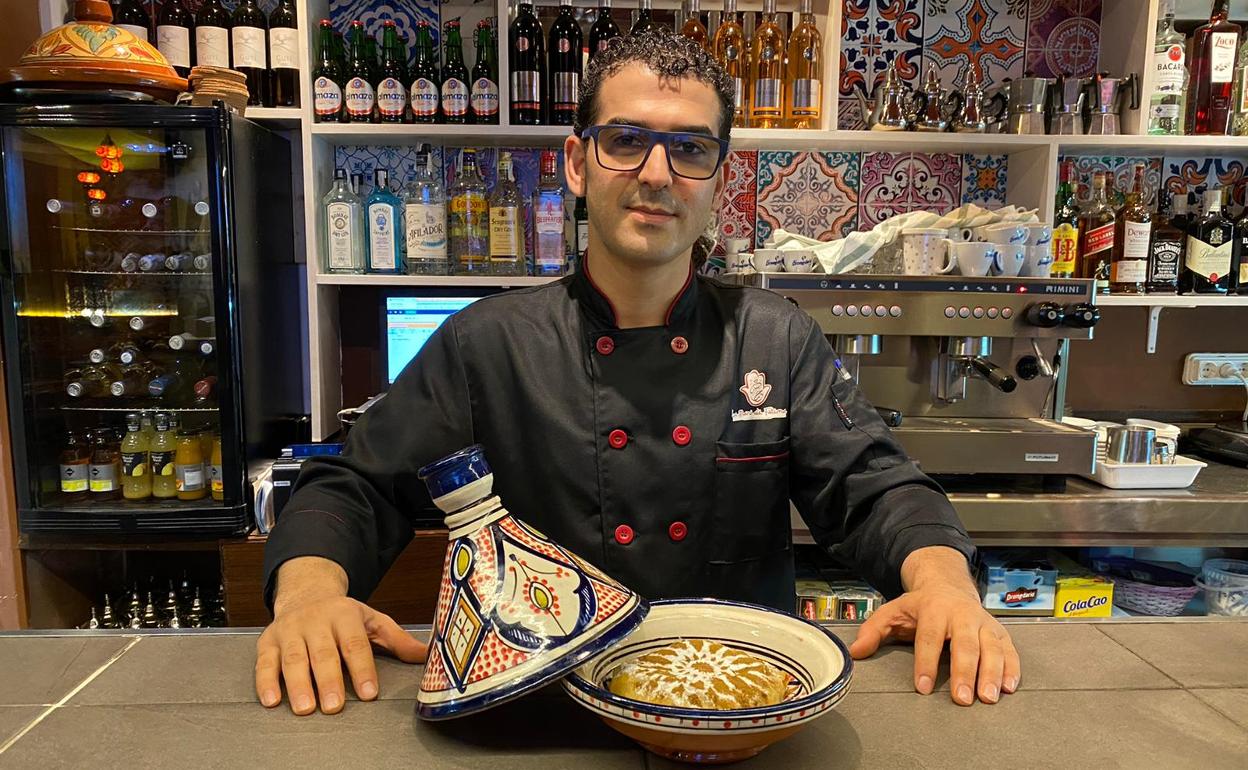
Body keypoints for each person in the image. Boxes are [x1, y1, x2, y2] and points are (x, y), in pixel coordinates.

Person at [256, 31, 1020, 717]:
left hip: (742, 710)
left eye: (689, 149)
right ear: (576, 164)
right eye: (626, 140)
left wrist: (944, 587)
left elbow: (875, 487)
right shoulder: (487, 344)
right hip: (549, 711)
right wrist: (311, 596)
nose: (657, 172)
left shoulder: (775, 338)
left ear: (720, 174)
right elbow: (353, 487)